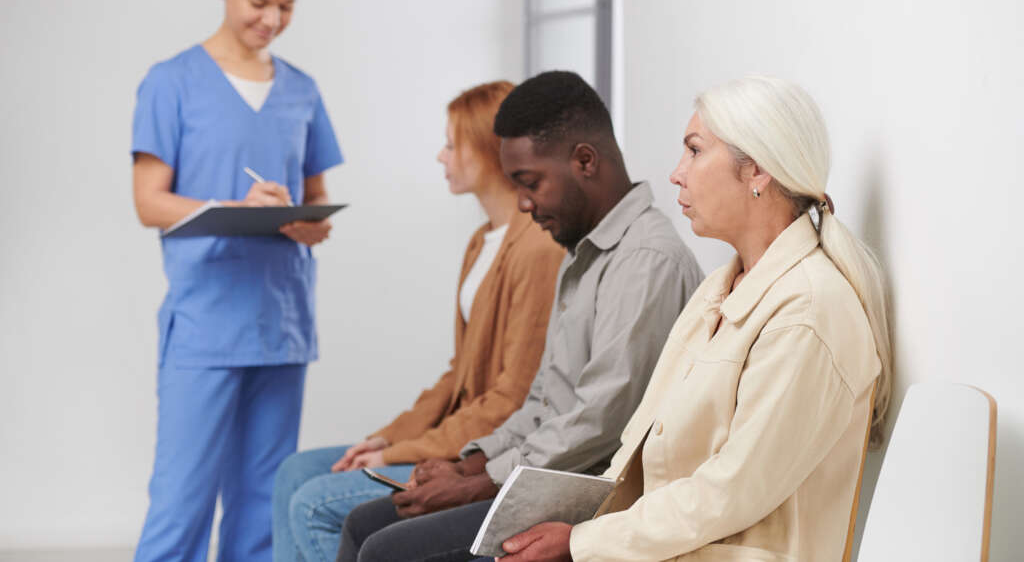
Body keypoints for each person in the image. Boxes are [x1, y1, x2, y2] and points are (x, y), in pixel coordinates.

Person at [496, 75, 894, 562]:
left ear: (759, 172)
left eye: (694, 151)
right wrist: (574, 526)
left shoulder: (809, 312)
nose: (676, 174)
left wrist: (581, 543)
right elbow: (639, 447)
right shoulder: (720, 289)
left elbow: (731, 491)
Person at [336, 70, 705, 562]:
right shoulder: (581, 254)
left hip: (591, 502)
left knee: (387, 550)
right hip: (544, 479)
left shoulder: (645, 260)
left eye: (530, 185)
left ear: (585, 162)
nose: (524, 205)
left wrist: (480, 482)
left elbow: (596, 421)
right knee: (366, 524)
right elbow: (542, 401)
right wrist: (471, 463)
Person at [271, 80, 565, 561]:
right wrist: (386, 437)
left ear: (489, 151)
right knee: (293, 473)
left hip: (480, 452)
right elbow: (458, 375)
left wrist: (395, 456)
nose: (440, 157)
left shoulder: (536, 249)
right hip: (452, 435)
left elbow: (511, 400)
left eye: (452, 145)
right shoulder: (481, 242)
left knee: (312, 504)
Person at [130, 0, 342, 562]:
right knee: (181, 507)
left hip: (280, 327)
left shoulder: (302, 91)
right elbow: (148, 201)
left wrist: (303, 221)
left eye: (286, 5)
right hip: (204, 326)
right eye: (259, 1)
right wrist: (229, 204)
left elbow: (319, 209)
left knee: (259, 512)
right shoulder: (171, 83)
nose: (272, 19)